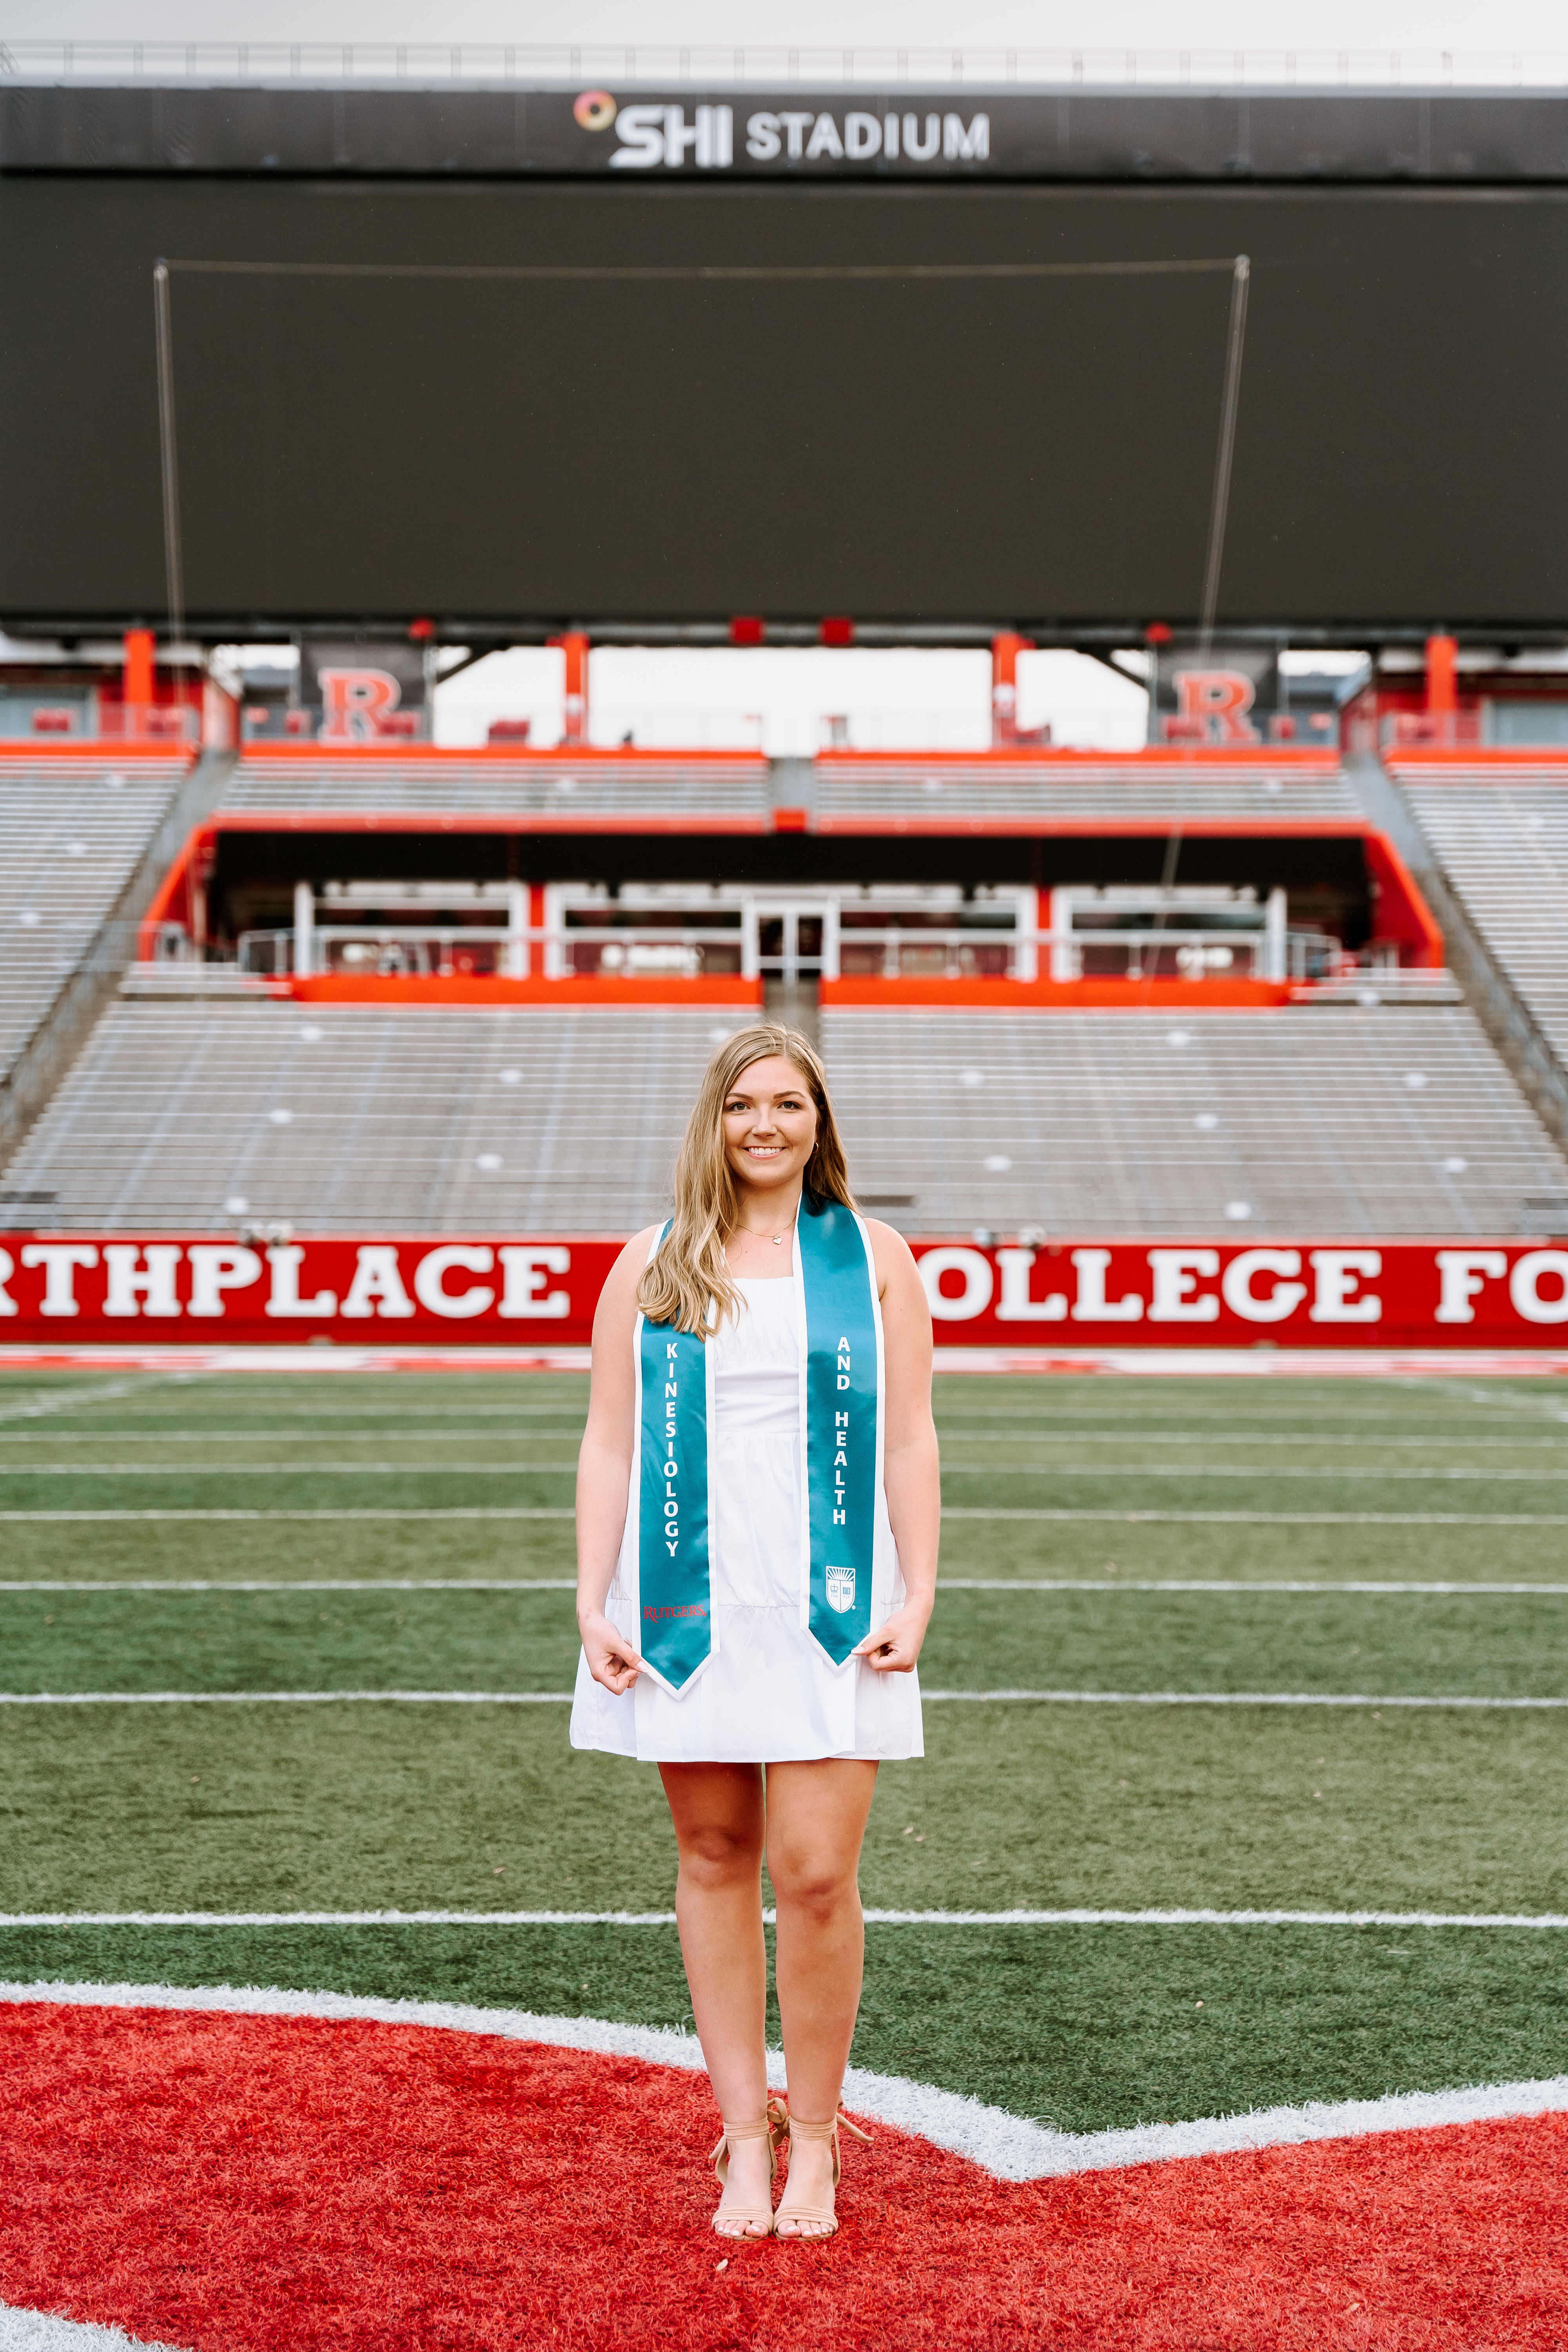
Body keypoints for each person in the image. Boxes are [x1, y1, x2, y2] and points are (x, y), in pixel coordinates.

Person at [570, 1024, 938, 2241]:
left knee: (818, 1872)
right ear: (713, 1122)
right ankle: (743, 2134)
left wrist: (920, 1588)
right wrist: (591, 1596)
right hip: (692, 1596)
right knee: (716, 1855)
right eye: (743, 1105)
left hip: (834, 1598)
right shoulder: (654, 1262)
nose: (765, 1125)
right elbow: (611, 1441)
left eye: (788, 1104)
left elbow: (914, 1437)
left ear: (820, 1122)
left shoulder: (876, 1259)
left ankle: (819, 2136)